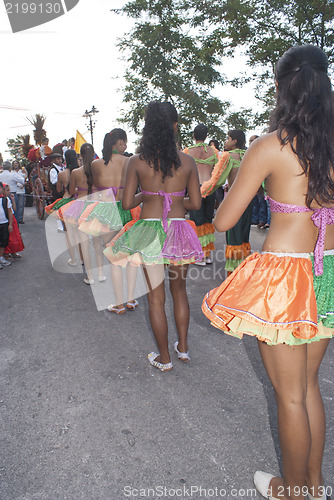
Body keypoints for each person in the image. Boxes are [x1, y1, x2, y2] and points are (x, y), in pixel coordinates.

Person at [202, 45, 334, 499]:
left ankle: (292, 492)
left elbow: (222, 222)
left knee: (290, 394)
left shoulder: (270, 146)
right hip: (329, 273)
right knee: (308, 386)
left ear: (281, 89)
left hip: (286, 279)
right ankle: (313, 485)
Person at [104, 101, 203, 371]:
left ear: (148, 129)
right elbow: (196, 203)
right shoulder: (188, 161)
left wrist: (148, 195)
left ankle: (164, 358)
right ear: (174, 126)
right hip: (179, 230)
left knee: (155, 298)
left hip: (149, 231)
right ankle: (182, 348)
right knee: (180, 292)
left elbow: (126, 204)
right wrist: (174, 199)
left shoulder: (136, 161)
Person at [78, 129, 138, 311]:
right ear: (117, 142)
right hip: (128, 209)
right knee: (131, 257)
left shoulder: (96, 164)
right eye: (123, 142)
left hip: (106, 211)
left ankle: (119, 304)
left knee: (114, 258)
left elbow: (97, 189)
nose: (125, 145)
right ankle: (130, 299)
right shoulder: (130, 161)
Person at [60, 143, 104, 284]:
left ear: (80, 155)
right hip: (96, 206)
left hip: (81, 207)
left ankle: (90, 277)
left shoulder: (76, 172)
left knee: (83, 242)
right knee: (98, 243)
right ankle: (101, 274)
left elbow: (72, 191)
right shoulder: (100, 169)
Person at [184, 124, 219, 265]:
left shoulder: (188, 151)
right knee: (206, 221)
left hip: (196, 188)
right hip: (210, 188)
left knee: (196, 222)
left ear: (194, 135)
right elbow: (218, 170)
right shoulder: (213, 152)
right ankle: (207, 255)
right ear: (206, 136)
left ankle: (199, 256)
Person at [222, 129, 252, 274]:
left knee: (233, 235)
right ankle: (243, 269)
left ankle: (233, 273)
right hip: (248, 200)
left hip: (233, 200)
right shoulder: (249, 155)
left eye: (227, 138)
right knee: (244, 233)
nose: (225, 141)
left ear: (234, 141)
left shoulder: (228, 156)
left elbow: (220, 180)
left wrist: (205, 190)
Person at [2, 183, 24, 259]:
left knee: (15, 237)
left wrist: (13, 200)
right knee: (8, 238)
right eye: (7, 190)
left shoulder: (8, 199)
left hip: (12, 219)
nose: (9, 192)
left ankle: (13, 252)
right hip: (7, 220)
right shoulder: (3, 200)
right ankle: (7, 253)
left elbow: (14, 209)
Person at [0, 181, 13, 268]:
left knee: (3, 242)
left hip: (4, 223)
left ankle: (1, 257)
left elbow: (10, 212)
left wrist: (10, 224)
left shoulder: (5, 200)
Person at [12, 160, 27, 224]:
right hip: (15, 190)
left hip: (21, 190)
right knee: (14, 205)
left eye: (16, 163)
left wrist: (23, 185)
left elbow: (26, 180)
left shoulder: (22, 171)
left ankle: (20, 218)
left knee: (21, 205)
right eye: (14, 164)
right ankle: (15, 219)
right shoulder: (12, 172)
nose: (15, 165)